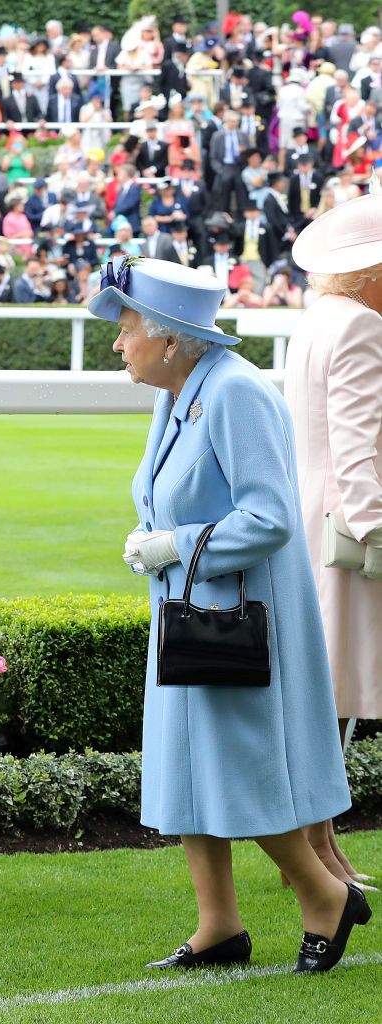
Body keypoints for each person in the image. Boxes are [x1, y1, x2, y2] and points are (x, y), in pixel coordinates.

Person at [88, 254, 371, 973]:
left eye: (125, 329)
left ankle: (324, 893)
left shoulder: (234, 392)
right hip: (193, 611)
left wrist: (172, 545)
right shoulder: (183, 390)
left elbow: (268, 518)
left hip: (236, 619)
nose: (117, 343)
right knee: (187, 771)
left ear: (169, 337)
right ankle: (218, 925)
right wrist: (154, 543)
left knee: (234, 771)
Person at [284, 185, 382, 888]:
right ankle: (314, 852)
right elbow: (356, 446)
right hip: (344, 531)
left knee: (322, 697)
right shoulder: (358, 327)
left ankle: (319, 849)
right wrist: (375, 530)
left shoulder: (318, 317)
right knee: (329, 700)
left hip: (310, 517)